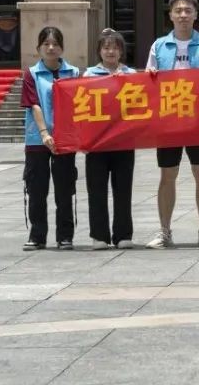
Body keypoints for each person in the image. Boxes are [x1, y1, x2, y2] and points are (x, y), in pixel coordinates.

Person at [144, 0, 199, 249]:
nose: (183, 15)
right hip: (168, 119)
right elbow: (148, 81)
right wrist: (150, 74)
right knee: (168, 174)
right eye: (178, 11)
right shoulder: (159, 46)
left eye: (188, 10)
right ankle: (165, 231)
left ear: (196, 14)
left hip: (198, 120)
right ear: (170, 15)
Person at [21, 26, 80, 250]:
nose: (51, 48)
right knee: (37, 189)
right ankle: (37, 236)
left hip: (65, 139)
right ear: (39, 48)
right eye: (46, 44)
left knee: (65, 188)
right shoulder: (32, 74)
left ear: (62, 48)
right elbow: (34, 104)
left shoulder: (73, 72)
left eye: (55, 44)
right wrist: (45, 133)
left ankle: (65, 236)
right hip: (38, 139)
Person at [83, 29, 136, 250]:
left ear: (122, 51)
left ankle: (123, 234)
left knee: (123, 189)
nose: (110, 51)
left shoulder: (132, 74)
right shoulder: (88, 75)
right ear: (99, 51)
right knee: (96, 190)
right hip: (97, 142)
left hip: (124, 141)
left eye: (115, 47)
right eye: (106, 47)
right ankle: (99, 235)